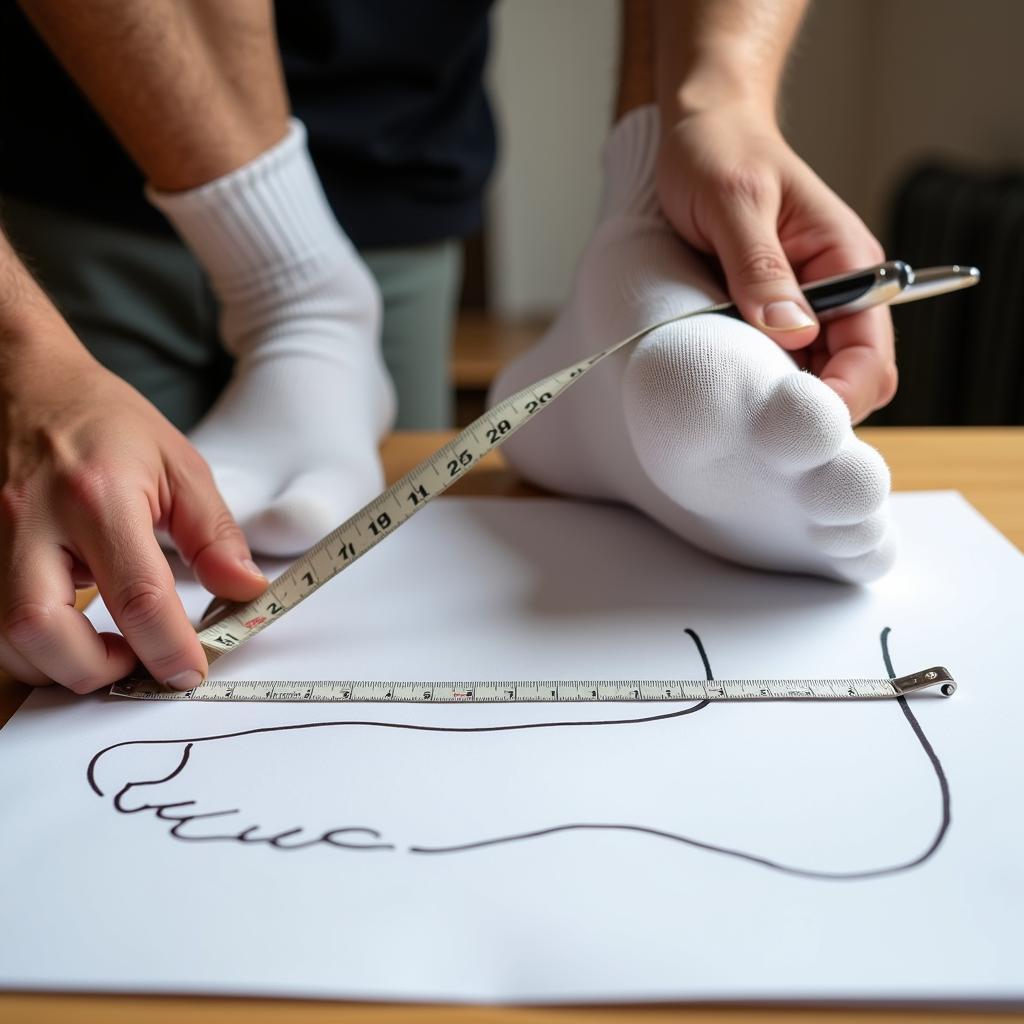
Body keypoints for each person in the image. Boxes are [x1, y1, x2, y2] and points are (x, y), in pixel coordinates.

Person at [0, 0, 897, 697]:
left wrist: (719, 102)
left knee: (179, 557)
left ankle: (635, 269)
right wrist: (23, 355)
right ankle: (329, 303)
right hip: (67, 204)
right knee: (89, 560)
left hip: (396, 169)